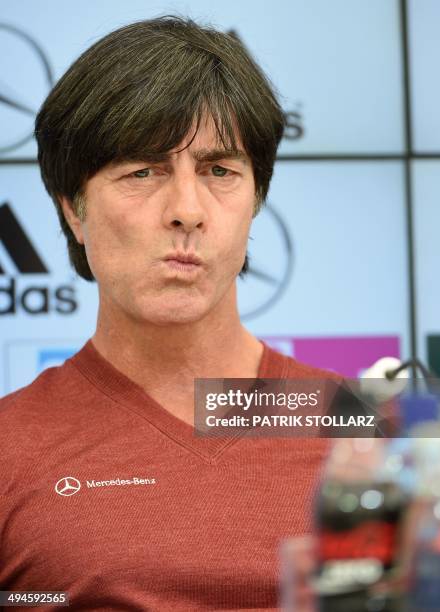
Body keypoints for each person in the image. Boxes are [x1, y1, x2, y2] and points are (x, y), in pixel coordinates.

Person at [0, 16, 338, 611]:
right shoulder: (9, 446)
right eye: (143, 171)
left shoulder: (375, 429)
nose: (187, 209)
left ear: (255, 202)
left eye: (219, 171)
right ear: (73, 212)